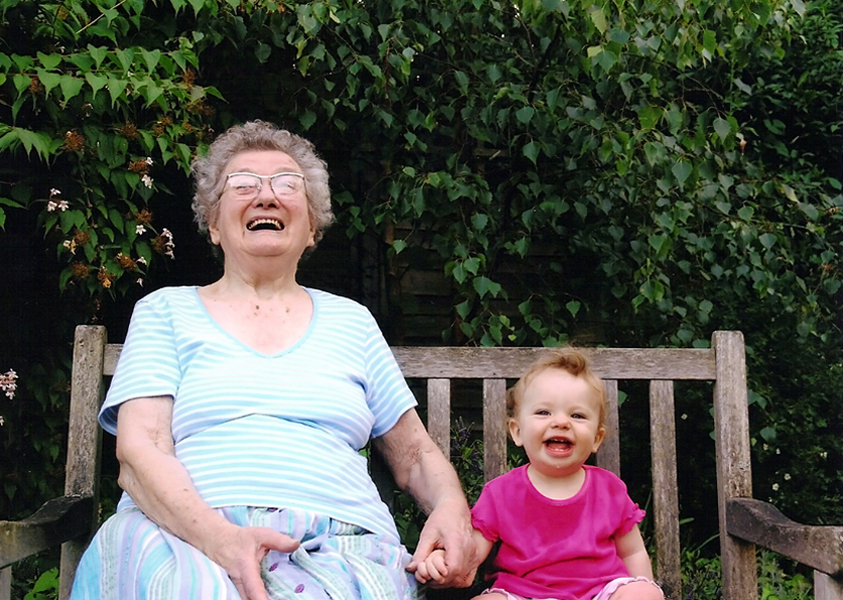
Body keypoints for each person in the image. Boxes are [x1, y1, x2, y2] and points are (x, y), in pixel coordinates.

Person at [70, 120, 475, 600]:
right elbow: (141, 451)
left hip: (337, 544)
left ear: (311, 229)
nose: (266, 196)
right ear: (215, 225)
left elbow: (414, 455)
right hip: (183, 534)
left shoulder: (353, 322)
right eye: (243, 185)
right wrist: (224, 542)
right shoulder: (166, 311)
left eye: (286, 184)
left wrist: (451, 508)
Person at [411, 349, 664, 600]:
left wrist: (642, 587)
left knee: (644, 593)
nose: (561, 422)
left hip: (601, 593)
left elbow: (632, 553)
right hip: (522, 595)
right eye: (544, 412)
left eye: (577, 415)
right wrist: (442, 560)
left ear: (597, 438)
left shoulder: (609, 489)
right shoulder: (501, 494)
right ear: (517, 431)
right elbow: (471, 551)